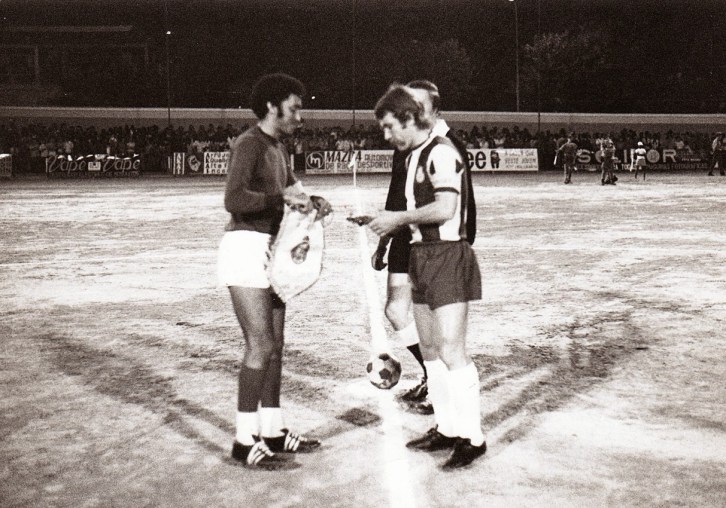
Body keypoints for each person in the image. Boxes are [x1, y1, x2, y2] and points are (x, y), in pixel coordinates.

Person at [368, 84, 486, 470]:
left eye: (389, 127)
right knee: (432, 351)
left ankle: (473, 437)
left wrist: (397, 219)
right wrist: (386, 223)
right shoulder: (415, 154)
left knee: (452, 351)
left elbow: (447, 208)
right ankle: (447, 428)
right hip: (421, 254)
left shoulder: (441, 152)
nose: (387, 135)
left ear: (408, 118)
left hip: (447, 256)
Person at [218, 73, 328, 470]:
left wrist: (313, 201)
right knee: (260, 345)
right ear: (271, 106)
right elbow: (234, 198)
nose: (299, 116)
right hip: (245, 247)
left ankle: (273, 430)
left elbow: (294, 193)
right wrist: (279, 200)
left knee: (276, 347)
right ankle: (244, 440)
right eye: (294, 108)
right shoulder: (249, 143)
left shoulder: (278, 148)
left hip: (272, 250)